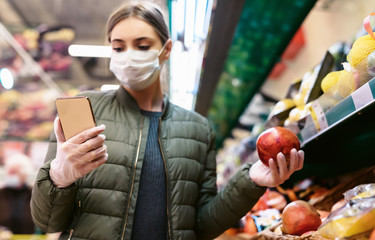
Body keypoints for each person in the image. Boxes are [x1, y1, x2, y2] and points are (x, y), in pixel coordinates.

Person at [30, 1, 304, 240]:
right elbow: (47, 222)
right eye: (118, 47)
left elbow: (200, 226)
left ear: (167, 49)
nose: (129, 56)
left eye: (142, 45)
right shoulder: (85, 111)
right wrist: (58, 177)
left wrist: (251, 182)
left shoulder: (197, 130)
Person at [0, 153, 35, 234]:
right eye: (9, 171)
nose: (10, 175)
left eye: (14, 172)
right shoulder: (1, 193)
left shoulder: (33, 194)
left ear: (25, 174)